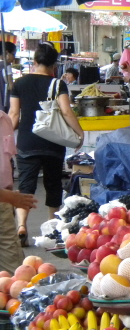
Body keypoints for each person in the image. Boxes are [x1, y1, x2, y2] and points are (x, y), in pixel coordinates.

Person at [8, 43, 84, 247]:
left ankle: (21, 226)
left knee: (26, 184)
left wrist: (4, 136)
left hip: (26, 141)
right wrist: (79, 133)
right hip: (52, 141)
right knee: (53, 185)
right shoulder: (58, 84)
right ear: (55, 64)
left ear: (34, 61)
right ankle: (52, 229)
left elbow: (14, 115)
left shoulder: (20, 83)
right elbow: (66, 112)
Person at [0, 109, 37, 273]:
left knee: (14, 272)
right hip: (4, 198)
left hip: (4, 202)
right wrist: (9, 197)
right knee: (15, 271)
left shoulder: (4, 119)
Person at [0, 41, 17, 112]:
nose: (14, 58)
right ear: (7, 53)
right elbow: (10, 86)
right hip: (3, 103)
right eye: (14, 54)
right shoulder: (6, 65)